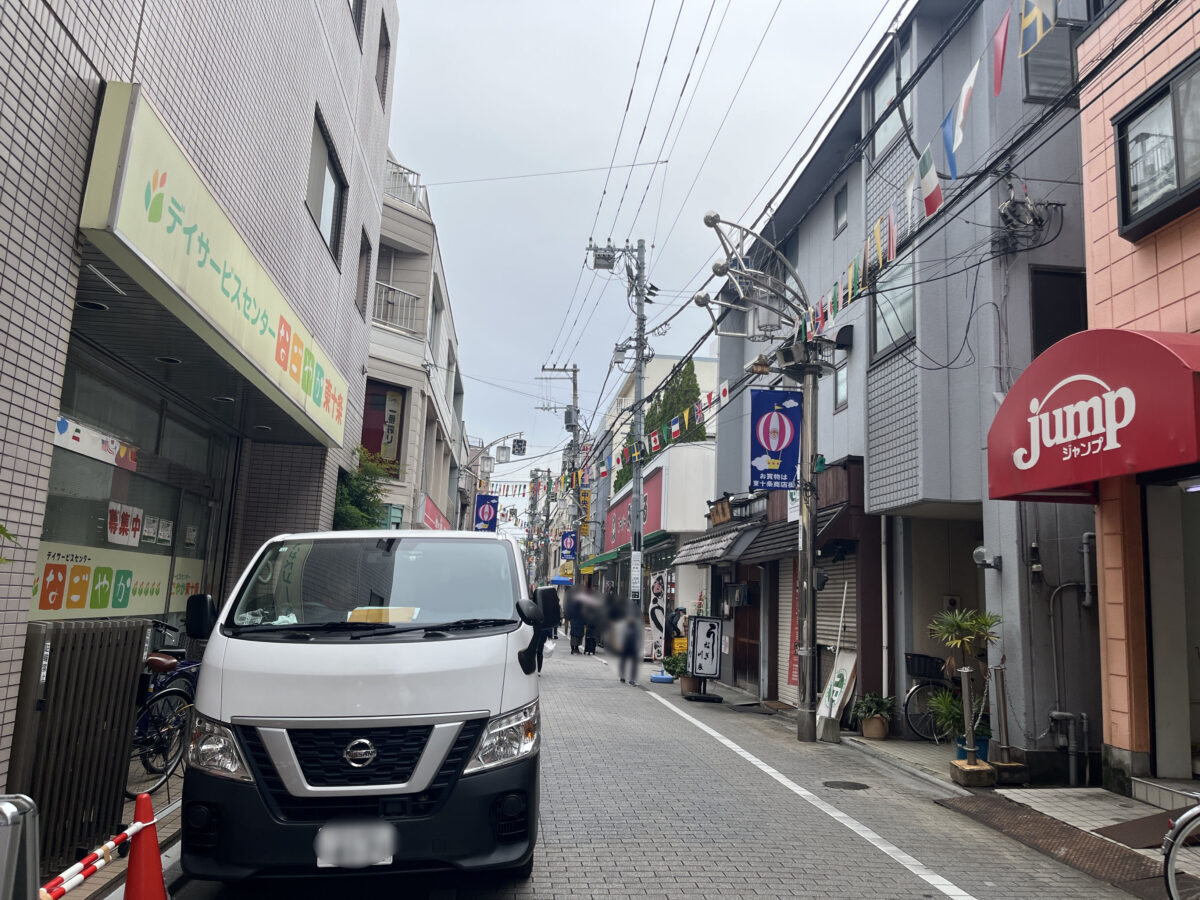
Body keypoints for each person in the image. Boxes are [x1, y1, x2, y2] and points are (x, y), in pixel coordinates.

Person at [533, 587, 560, 675]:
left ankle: (537, 669)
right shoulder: (547, 607)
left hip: (538, 632)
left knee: (537, 651)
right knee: (539, 651)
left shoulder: (536, 605)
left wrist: (549, 636)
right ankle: (538, 670)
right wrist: (550, 636)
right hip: (542, 632)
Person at [617, 596, 643, 686]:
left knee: (633, 662)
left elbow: (639, 632)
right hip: (625, 642)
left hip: (633, 642)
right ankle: (623, 676)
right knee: (624, 661)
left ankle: (632, 679)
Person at [567, 588, 587, 654]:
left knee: (574, 636)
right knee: (577, 637)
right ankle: (576, 649)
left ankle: (573, 649)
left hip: (574, 622)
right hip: (579, 622)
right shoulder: (580, 606)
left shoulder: (571, 603)